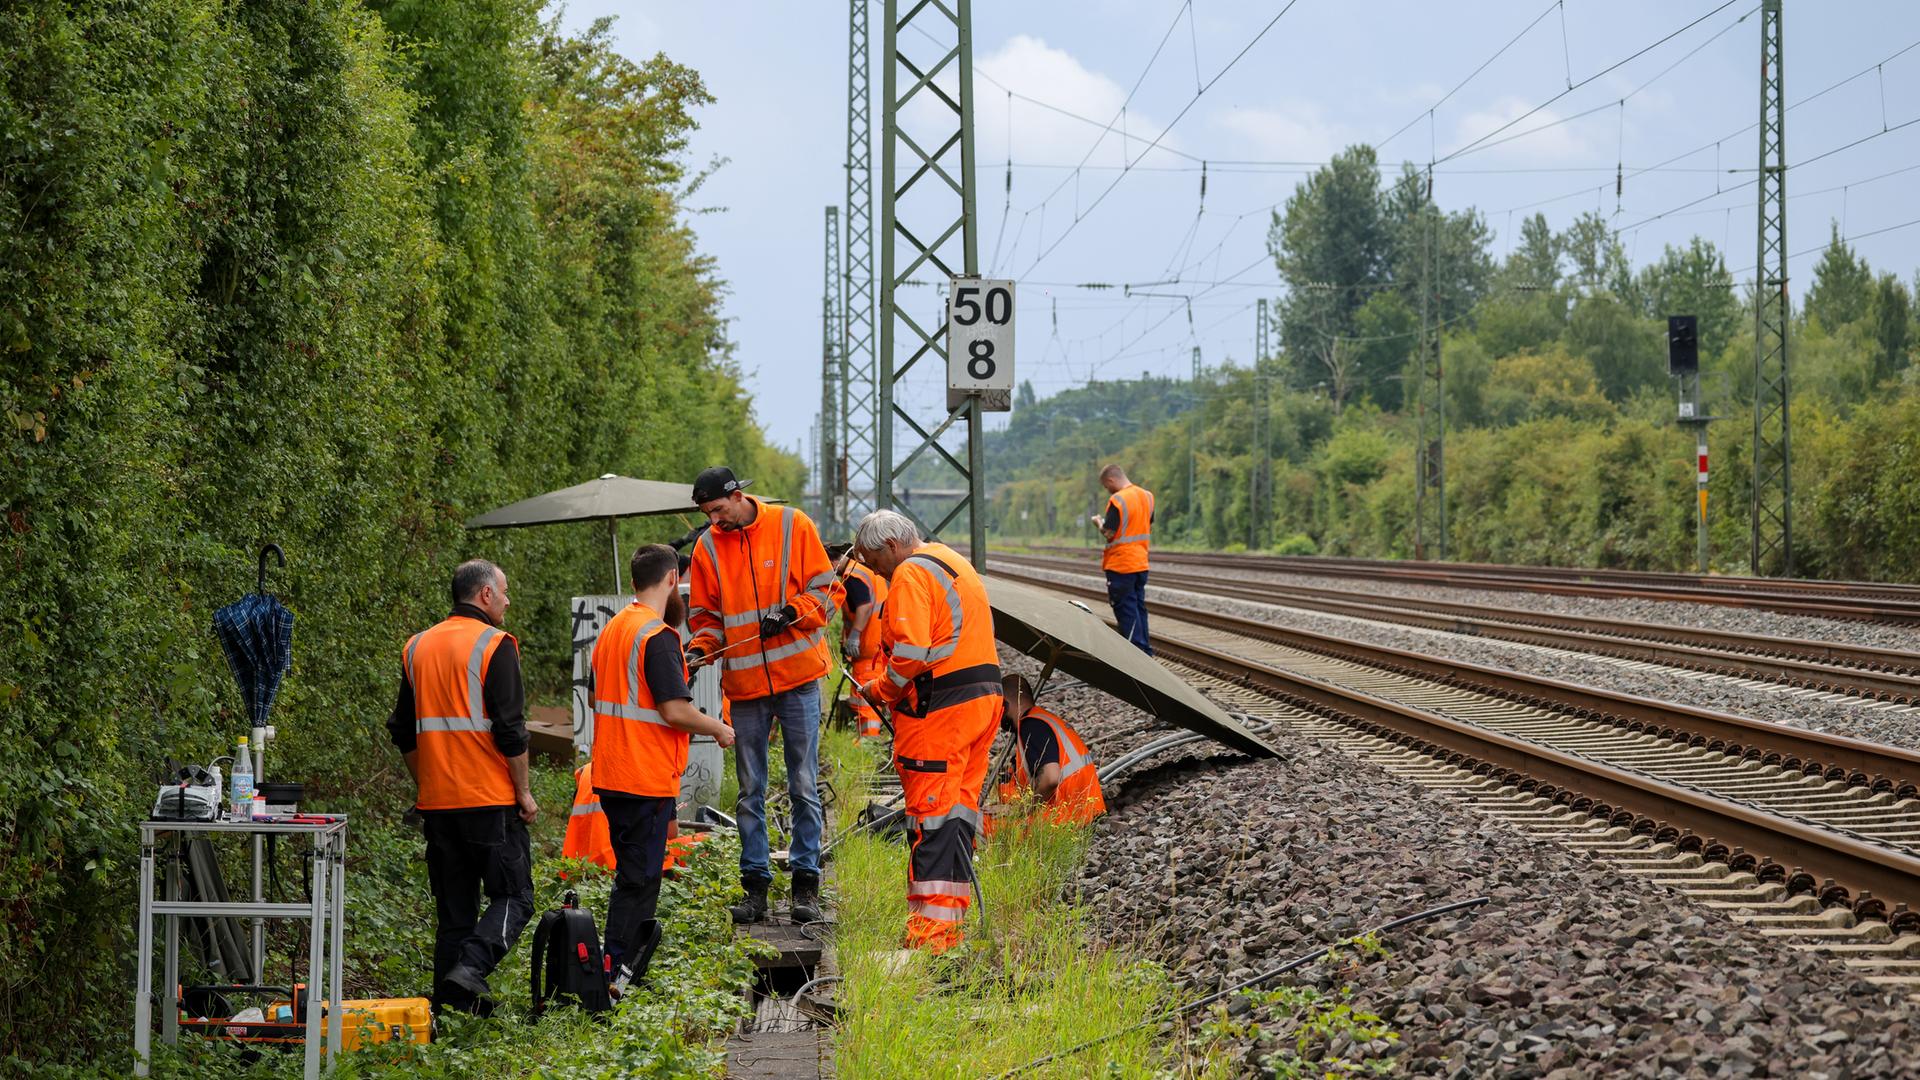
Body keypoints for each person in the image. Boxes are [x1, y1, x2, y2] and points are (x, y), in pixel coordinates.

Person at [686, 466, 841, 926]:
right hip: (746, 688)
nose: (715, 520)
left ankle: (805, 888)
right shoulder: (708, 547)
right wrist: (699, 649)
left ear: (737, 497)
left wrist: (792, 613)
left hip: (798, 680)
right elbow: (705, 615)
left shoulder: (794, 525)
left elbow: (828, 592)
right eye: (707, 513)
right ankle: (755, 889)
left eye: (718, 509)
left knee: (804, 785)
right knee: (751, 790)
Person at [386, 559, 536, 1016]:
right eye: (505, 592)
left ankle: (449, 1013)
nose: (508, 601)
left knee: (455, 915)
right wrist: (524, 792)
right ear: (485, 595)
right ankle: (470, 970)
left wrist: (426, 782)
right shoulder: (495, 644)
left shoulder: (417, 647)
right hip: (489, 800)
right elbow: (511, 731)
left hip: (438, 805)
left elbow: (402, 731)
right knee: (515, 896)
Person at [852, 510, 1002, 954]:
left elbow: (913, 653)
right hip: (981, 702)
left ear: (892, 546)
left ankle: (931, 938)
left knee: (931, 820)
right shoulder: (950, 561)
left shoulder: (910, 574)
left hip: (940, 712)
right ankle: (949, 927)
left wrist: (880, 688)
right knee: (957, 818)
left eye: (872, 558)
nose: (873, 569)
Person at [591, 544, 736, 994]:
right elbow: (674, 711)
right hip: (642, 775)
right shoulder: (658, 636)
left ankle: (617, 968)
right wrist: (718, 728)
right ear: (673, 579)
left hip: (614, 773)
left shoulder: (615, 629)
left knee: (631, 874)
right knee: (640, 880)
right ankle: (618, 973)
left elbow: (634, 695)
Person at [995, 675, 1106, 826]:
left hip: (1065, 819)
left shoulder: (1032, 726)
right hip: (1086, 812)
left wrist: (1021, 810)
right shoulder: (1044, 721)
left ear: (1005, 704)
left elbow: (1051, 777)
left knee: (977, 824)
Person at [827, 541, 889, 739]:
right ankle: (873, 734)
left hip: (869, 645)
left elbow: (864, 607)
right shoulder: (862, 570)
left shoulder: (853, 577)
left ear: (834, 560)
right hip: (879, 640)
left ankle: (869, 738)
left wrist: (854, 636)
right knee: (873, 689)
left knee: (866, 695)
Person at [1094, 464, 1154, 654]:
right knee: (1138, 608)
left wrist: (1099, 524)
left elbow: (1110, 533)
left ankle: (1135, 657)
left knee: (1126, 611)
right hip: (1141, 562)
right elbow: (1145, 524)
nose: (1107, 490)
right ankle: (1145, 652)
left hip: (1121, 564)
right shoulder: (1147, 496)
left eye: (1106, 486)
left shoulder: (1118, 499)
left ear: (1111, 480)